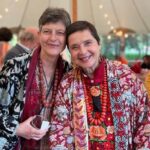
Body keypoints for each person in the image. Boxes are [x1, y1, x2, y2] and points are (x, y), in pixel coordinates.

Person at [50, 21, 150, 149]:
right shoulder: (67, 83)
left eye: (88, 43)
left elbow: (145, 123)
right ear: (70, 53)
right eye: (75, 47)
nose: (82, 51)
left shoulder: (125, 76)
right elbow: (57, 130)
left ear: (99, 44)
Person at [0, 7, 71, 150]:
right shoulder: (15, 67)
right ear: (39, 35)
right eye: (47, 31)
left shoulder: (69, 73)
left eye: (60, 33)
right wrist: (17, 128)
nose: (53, 38)